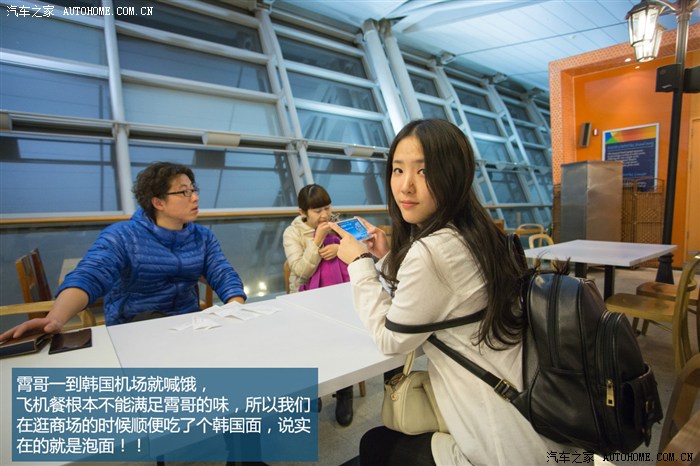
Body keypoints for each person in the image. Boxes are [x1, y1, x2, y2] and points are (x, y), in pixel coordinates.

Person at [329, 119, 569, 465]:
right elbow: (435, 295)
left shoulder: (433, 251)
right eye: (398, 170)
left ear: (454, 175)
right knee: (378, 443)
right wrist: (385, 257)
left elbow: (390, 339)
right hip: (532, 414)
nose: (405, 186)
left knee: (374, 445)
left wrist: (359, 263)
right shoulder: (477, 233)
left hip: (500, 444)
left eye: (424, 171)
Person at [0, 162, 246, 340]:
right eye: (184, 192)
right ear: (158, 202)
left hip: (188, 324)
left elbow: (221, 272)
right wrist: (56, 318)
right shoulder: (122, 235)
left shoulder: (202, 236)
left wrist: (234, 306)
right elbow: (90, 275)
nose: (194, 198)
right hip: (135, 328)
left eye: (193, 190)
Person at [282, 184, 354, 427]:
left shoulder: (338, 225)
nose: (325, 215)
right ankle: (315, 389)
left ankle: (345, 391)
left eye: (327, 208)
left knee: (345, 338)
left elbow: (361, 253)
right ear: (303, 212)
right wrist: (318, 241)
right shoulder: (292, 233)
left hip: (339, 295)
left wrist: (340, 248)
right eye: (317, 211)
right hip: (306, 299)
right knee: (310, 344)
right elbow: (301, 273)